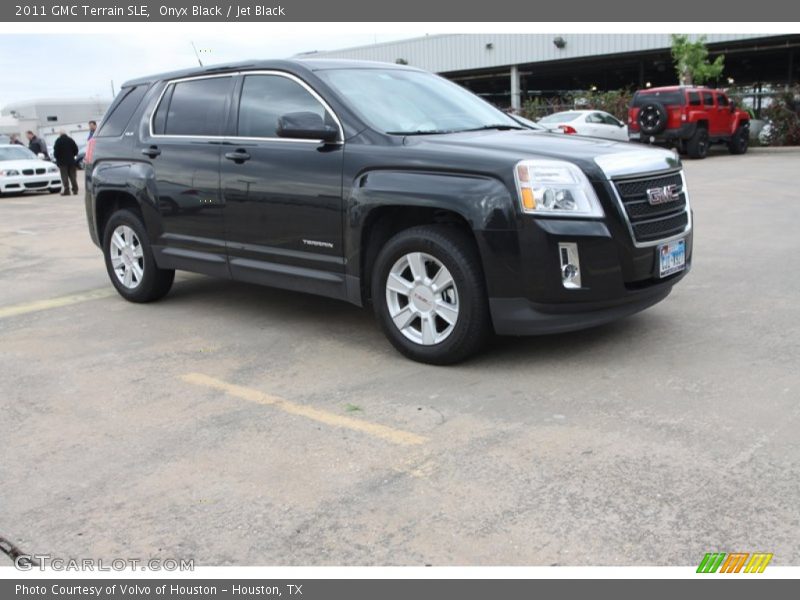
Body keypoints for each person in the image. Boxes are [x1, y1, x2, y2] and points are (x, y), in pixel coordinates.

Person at [53, 131, 79, 196]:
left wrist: (57, 158)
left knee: (64, 176)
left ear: (60, 134)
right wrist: (72, 155)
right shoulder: (70, 140)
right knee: (73, 176)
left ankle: (67, 190)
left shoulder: (58, 141)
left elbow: (56, 152)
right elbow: (76, 150)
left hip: (62, 162)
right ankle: (75, 190)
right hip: (71, 161)